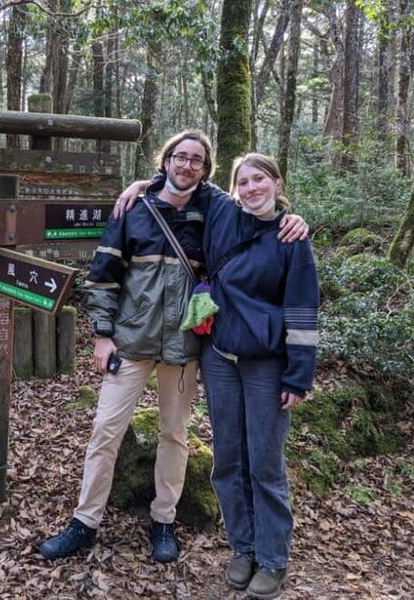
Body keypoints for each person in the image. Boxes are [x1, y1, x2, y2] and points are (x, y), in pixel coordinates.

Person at [38, 131, 308, 564]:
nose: (186, 166)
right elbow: (102, 275)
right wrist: (103, 334)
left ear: (205, 170)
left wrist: (293, 219)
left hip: (183, 348)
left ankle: (163, 521)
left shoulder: (212, 210)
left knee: (175, 435)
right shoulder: (134, 208)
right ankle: (83, 523)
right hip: (130, 342)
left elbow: (255, 200)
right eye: (179, 157)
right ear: (165, 160)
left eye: (196, 160)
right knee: (105, 431)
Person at [116, 152, 318, 598]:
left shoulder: (291, 237)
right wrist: (141, 186)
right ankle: (242, 548)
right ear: (234, 188)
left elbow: (303, 311)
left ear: (277, 184)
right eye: (243, 181)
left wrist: (298, 376)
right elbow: (181, 177)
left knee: (264, 463)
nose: (251, 188)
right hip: (220, 357)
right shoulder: (223, 212)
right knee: (228, 460)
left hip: (267, 363)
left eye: (259, 180)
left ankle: (272, 558)